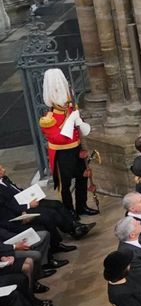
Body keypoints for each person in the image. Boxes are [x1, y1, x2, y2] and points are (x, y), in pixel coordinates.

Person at [38, 69, 96, 218]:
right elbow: (60, 139)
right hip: (61, 154)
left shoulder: (71, 109)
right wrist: (70, 120)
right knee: (65, 184)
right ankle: (69, 210)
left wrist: (79, 122)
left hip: (76, 149)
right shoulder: (48, 118)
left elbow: (84, 131)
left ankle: (81, 206)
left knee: (82, 177)